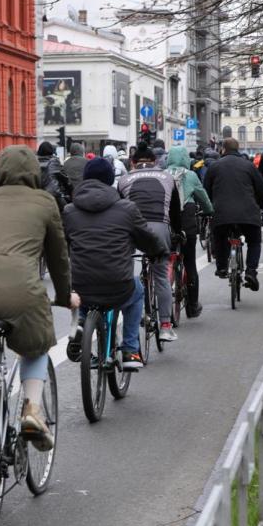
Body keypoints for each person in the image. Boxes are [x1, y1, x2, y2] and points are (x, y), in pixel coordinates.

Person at [0, 145, 78, 450]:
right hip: (21, 289)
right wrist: (64, 296)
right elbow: (58, 258)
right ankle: (32, 411)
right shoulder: (45, 201)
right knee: (36, 347)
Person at [63, 158, 166, 369]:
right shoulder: (127, 208)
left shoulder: (70, 211)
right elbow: (146, 237)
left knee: (82, 291)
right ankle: (130, 349)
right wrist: (159, 252)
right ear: (111, 180)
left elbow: (62, 245)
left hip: (82, 284)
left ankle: (80, 326)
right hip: (118, 283)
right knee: (137, 291)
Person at [117, 143, 182, 342]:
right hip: (159, 228)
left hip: (132, 228)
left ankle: (130, 326)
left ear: (133, 163)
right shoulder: (168, 177)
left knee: (131, 273)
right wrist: (177, 233)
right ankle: (165, 325)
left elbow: (119, 209)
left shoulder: (124, 179)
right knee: (161, 274)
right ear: (155, 162)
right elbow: (175, 212)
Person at [205, 138, 263, 290]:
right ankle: (251, 271)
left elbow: (206, 190)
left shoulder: (214, 166)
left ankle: (222, 267)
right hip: (248, 213)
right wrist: (260, 205)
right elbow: (261, 188)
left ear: (223, 149)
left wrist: (210, 207)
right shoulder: (249, 166)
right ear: (237, 149)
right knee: (254, 241)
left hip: (222, 213)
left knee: (219, 236)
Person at [165, 146, 213, 317]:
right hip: (187, 224)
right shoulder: (191, 175)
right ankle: (192, 306)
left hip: (167, 225)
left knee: (165, 259)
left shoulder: (163, 174)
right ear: (186, 158)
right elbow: (203, 197)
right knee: (190, 263)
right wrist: (209, 210)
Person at [36, 141, 72, 211]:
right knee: (67, 211)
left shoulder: (34, 161)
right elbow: (65, 179)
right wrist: (71, 191)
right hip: (52, 195)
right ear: (51, 151)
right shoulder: (54, 161)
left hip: (37, 195)